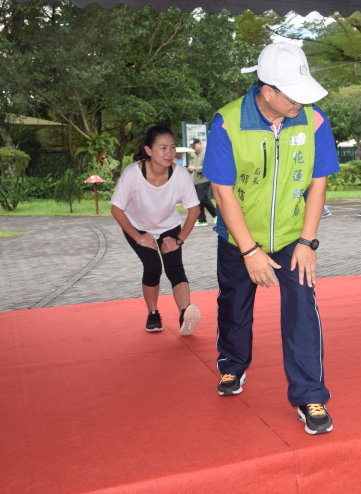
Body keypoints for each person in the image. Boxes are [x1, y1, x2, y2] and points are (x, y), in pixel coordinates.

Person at [202, 42, 339, 435]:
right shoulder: (227, 122)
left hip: (293, 238)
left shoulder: (313, 121)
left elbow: (319, 181)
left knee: (301, 310)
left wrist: (308, 242)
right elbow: (222, 191)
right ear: (267, 91)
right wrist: (249, 251)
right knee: (234, 306)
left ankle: (310, 395)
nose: (301, 102)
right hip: (238, 238)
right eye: (293, 95)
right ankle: (232, 366)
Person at [110, 125, 202, 335]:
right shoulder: (133, 173)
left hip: (168, 225)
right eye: (163, 148)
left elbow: (194, 211)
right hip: (137, 226)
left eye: (172, 148)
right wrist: (139, 238)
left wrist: (178, 240)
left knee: (175, 267)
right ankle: (153, 313)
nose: (169, 153)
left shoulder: (179, 175)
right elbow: (116, 209)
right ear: (148, 150)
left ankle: (185, 313)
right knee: (152, 267)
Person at [187, 138, 217, 226]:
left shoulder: (206, 153)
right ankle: (213, 216)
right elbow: (192, 167)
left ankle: (202, 220)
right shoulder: (194, 155)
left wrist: (195, 168)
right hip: (196, 180)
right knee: (204, 199)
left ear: (200, 143)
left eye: (194, 146)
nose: (193, 148)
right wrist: (189, 168)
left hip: (204, 179)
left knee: (198, 200)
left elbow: (209, 167)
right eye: (192, 146)